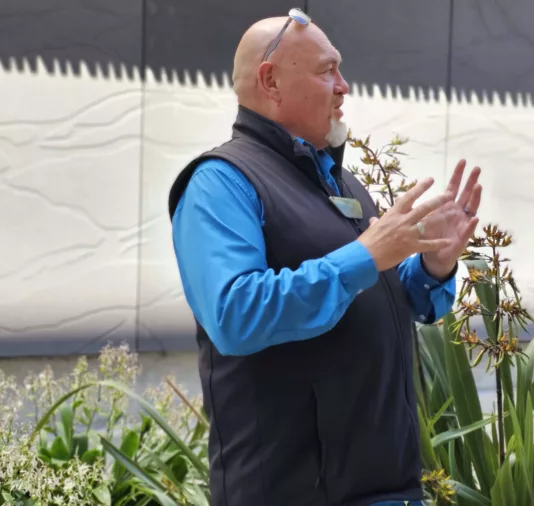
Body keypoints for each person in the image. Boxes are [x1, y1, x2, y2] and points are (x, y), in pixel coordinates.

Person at [167, 9, 482, 506]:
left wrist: (431, 264)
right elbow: (234, 314)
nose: (344, 86)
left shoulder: (340, 182)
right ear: (270, 81)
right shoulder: (220, 183)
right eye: (326, 70)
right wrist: (362, 256)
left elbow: (387, 292)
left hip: (389, 488)